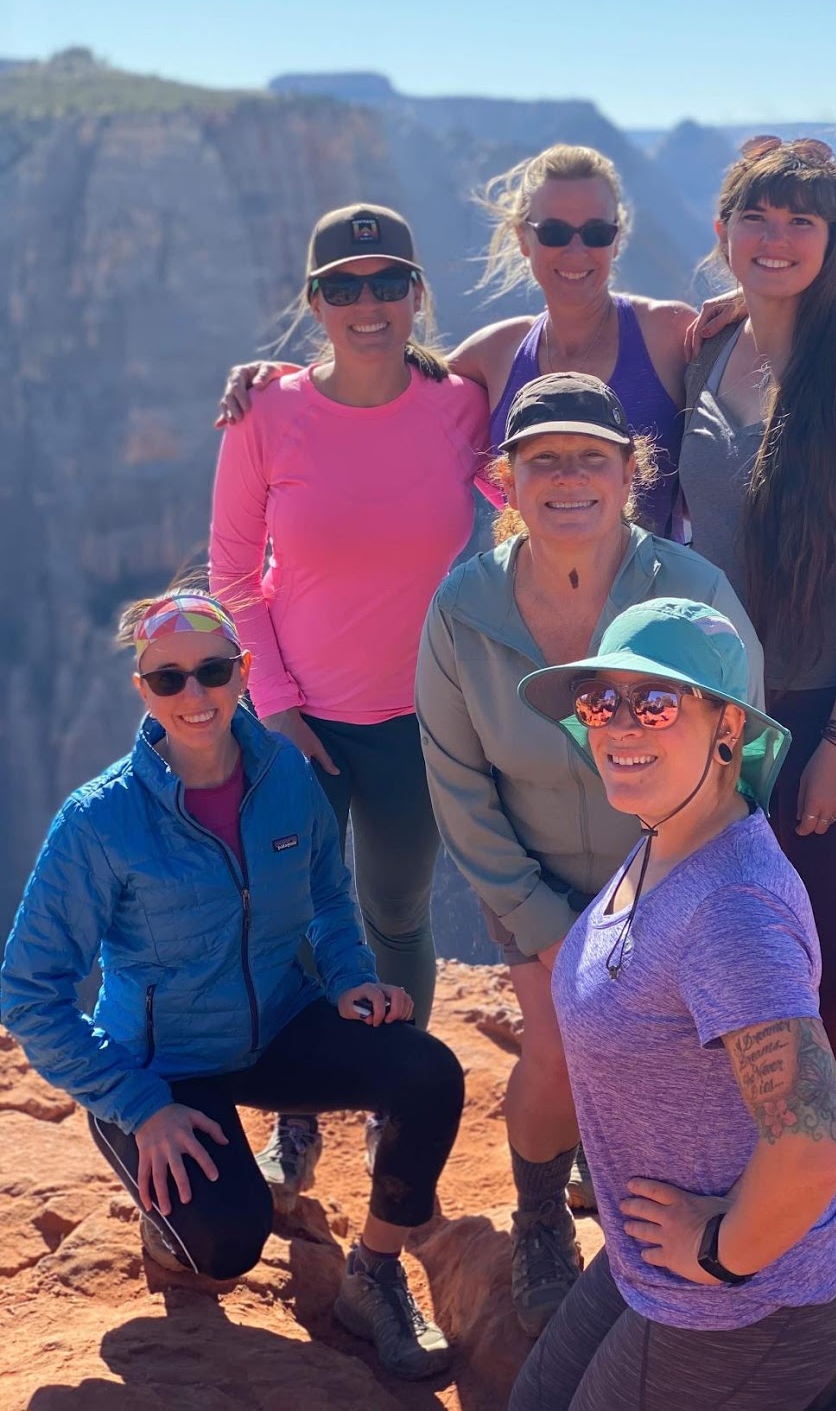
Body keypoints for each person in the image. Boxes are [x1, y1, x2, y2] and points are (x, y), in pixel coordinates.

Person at [0, 591, 464, 1381]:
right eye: (169, 679)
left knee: (428, 1073)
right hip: (165, 1065)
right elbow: (30, 990)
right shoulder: (98, 822)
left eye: (214, 671)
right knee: (226, 1247)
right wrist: (139, 1104)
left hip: (278, 1027)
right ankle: (149, 1185)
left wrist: (351, 978)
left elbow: (325, 890)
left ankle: (373, 1276)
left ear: (244, 674)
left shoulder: (285, 773)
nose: (195, 695)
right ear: (143, 690)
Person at [509, 597, 836, 1411]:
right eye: (601, 701)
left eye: (658, 702)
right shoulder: (662, 841)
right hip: (650, 1256)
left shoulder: (732, 910)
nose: (621, 726)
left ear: (729, 729)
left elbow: (814, 1142)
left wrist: (719, 1252)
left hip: (746, 1302)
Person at [414, 372, 766, 1339]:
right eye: (543, 459)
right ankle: (539, 1217)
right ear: (506, 482)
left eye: (590, 457)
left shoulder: (691, 593)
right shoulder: (463, 608)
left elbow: (734, 756)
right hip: (530, 879)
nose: (567, 476)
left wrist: (663, 913)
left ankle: (697, 1225)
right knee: (563, 1043)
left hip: (680, 877)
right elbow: (458, 783)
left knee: (679, 1056)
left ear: (629, 473)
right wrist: (538, 923)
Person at [208, 203, 488, 1209]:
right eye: (343, 286)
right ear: (314, 301)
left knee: (395, 911)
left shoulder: (461, 404)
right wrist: (277, 707)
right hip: (295, 726)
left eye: (386, 282)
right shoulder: (268, 413)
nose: (366, 304)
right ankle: (300, 1101)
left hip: (417, 721)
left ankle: (391, 1093)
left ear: (417, 292)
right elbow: (234, 572)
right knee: (286, 918)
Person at [679, 137, 836, 1063]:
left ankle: (803, 1196)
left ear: (832, 238)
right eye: (756, 217)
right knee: (718, 963)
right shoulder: (705, 349)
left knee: (819, 979)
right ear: (724, 229)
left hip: (822, 715)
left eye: (800, 220)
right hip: (713, 715)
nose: (776, 238)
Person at [216, 145, 695, 537]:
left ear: (618, 237)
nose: (575, 250)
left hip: (653, 622)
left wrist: (740, 298)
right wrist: (282, 382)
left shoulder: (668, 333)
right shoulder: (492, 355)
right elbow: (385, 384)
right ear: (522, 238)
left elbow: (758, 361)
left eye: (595, 231)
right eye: (552, 232)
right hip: (536, 624)